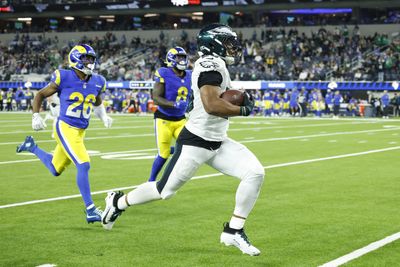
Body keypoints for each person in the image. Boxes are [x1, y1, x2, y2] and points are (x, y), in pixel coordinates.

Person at [102, 24, 265, 256]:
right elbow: (212, 105)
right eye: (228, 43)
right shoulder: (211, 64)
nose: (233, 48)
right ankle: (117, 202)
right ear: (215, 44)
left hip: (218, 141)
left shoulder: (213, 65)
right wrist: (243, 110)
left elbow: (205, 98)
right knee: (164, 191)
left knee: (255, 172)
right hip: (196, 141)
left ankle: (233, 231)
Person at [16, 44, 113, 224]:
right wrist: (35, 115)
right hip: (65, 127)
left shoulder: (98, 80)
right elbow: (40, 95)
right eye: (86, 59)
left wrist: (104, 115)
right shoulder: (64, 76)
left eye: (92, 59)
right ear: (76, 58)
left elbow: (97, 101)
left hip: (80, 131)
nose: (90, 62)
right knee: (83, 165)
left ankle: (32, 147)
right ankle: (90, 209)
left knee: (55, 169)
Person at [147, 46, 191, 182]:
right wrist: (174, 104)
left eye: (183, 57)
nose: (182, 60)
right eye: (179, 57)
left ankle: (174, 150)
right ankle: (151, 180)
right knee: (164, 154)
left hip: (181, 119)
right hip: (164, 119)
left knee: (190, 147)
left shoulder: (190, 74)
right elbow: (156, 98)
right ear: (171, 59)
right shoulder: (163, 72)